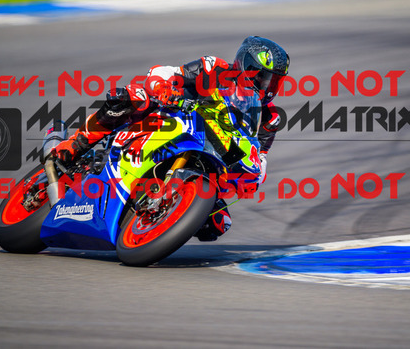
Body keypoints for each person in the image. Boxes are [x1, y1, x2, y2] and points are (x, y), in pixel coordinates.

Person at [52, 36, 290, 241]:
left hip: (211, 154)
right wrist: (166, 88)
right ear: (246, 66)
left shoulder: (269, 118)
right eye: (264, 77)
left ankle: (160, 220)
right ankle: (75, 144)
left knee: (218, 224)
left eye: (276, 80)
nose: (269, 86)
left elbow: (259, 158)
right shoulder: (214, 69)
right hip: (170, 118)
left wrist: (253, 176)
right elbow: (163, 73)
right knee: (131, 97)